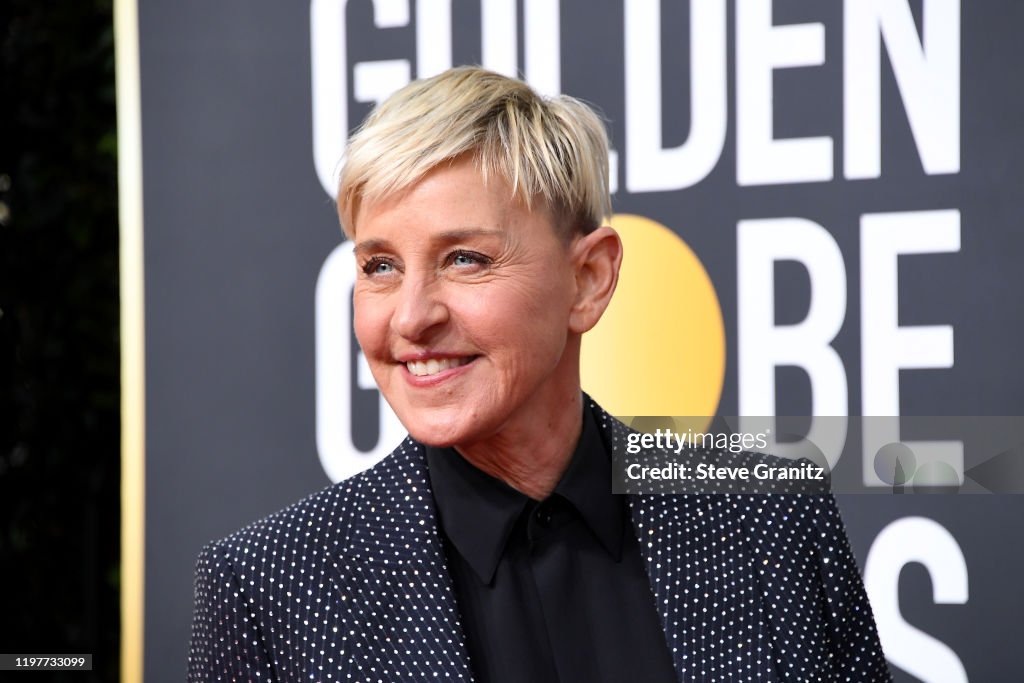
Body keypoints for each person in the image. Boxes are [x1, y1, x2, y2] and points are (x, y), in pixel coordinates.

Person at [188, 66, 891, 682]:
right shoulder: (267, 590)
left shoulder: (772, 516)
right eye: (380, 266)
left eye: (464, 258)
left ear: (588, 278)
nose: (410, 317)